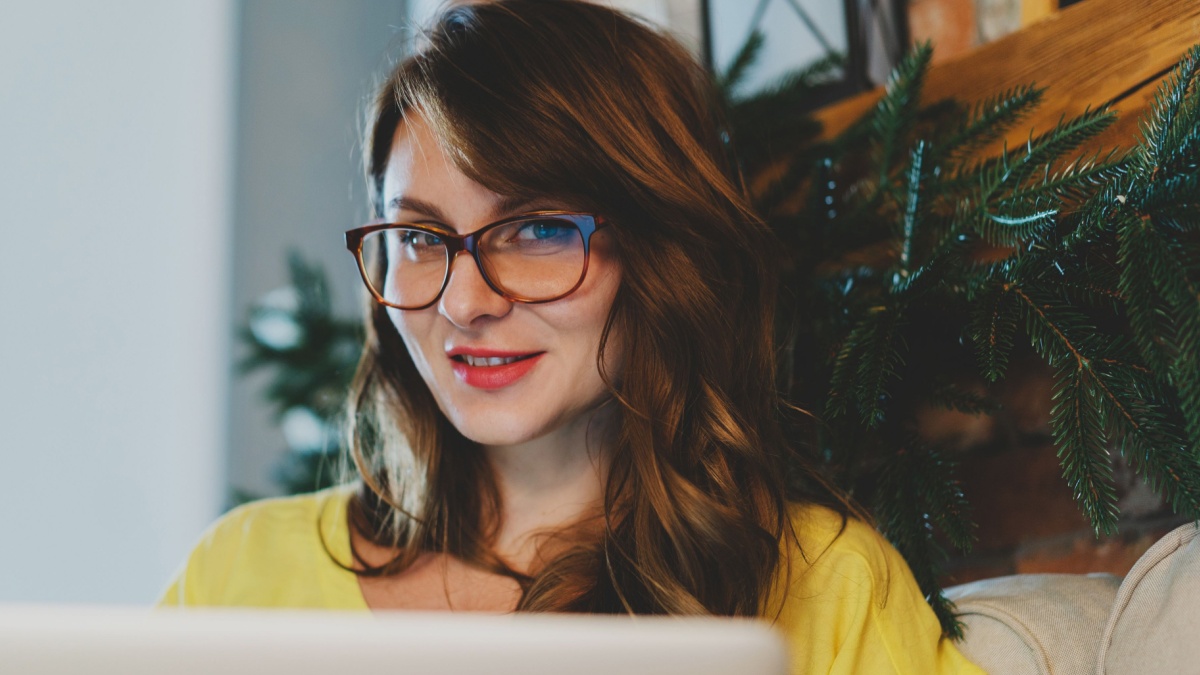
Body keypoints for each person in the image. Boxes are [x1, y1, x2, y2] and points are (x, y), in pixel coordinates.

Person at [162, 2, 983, 672]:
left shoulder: (825, 584)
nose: (465, 302)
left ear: (662, 251)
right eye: (419, 238)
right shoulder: (236, 571)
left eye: (538, 230)